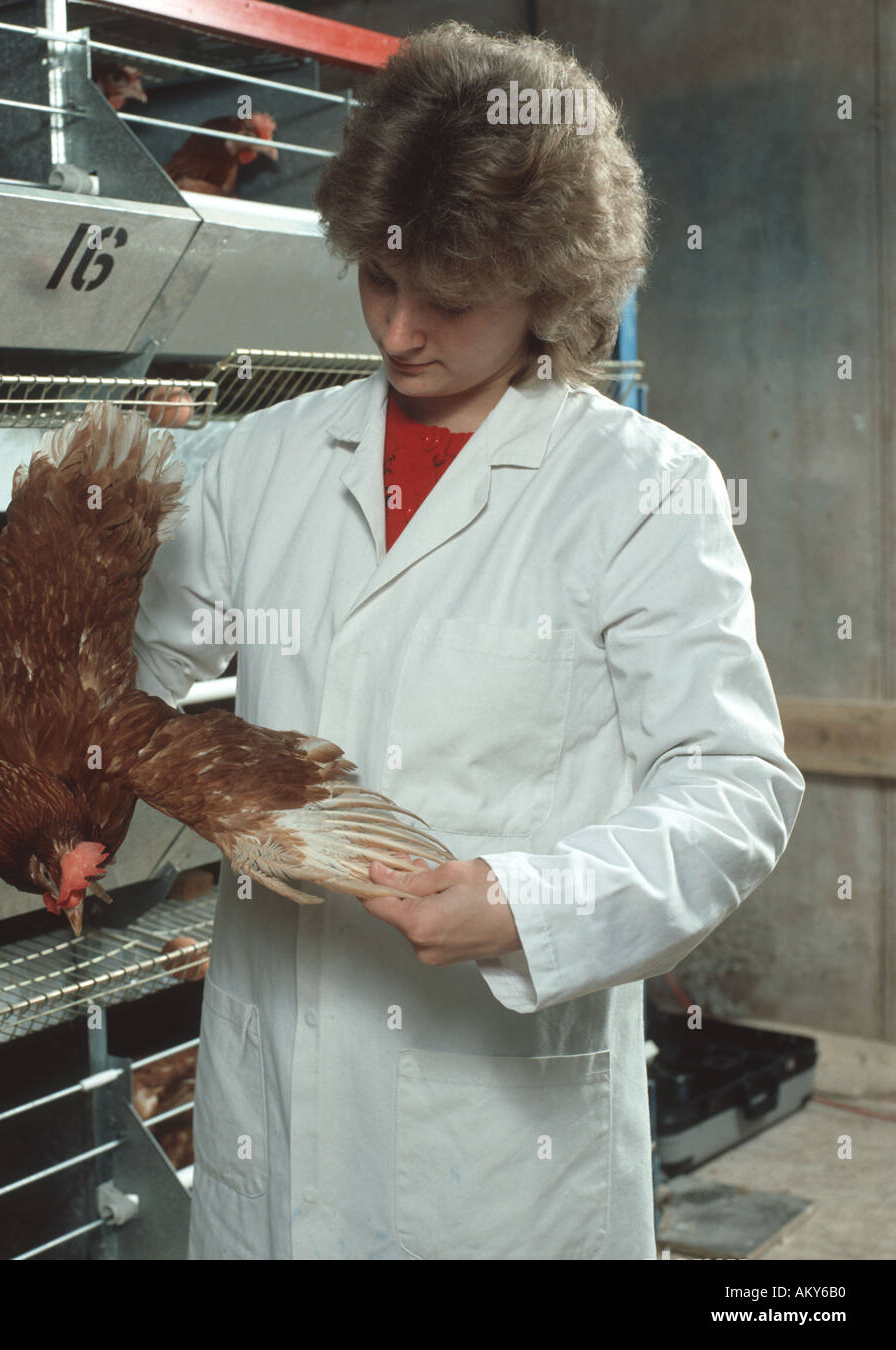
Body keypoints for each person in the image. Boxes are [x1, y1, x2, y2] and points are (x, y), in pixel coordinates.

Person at [133, 20, 804, 1260]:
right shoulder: (264, 463)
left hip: (494, 1149)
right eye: (378, 281)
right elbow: (139, 684)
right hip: (271, 1096)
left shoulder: (640, 489)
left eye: (447, 300)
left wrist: (524, 902)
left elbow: (733, 789)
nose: (396, 332)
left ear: (550, 285)